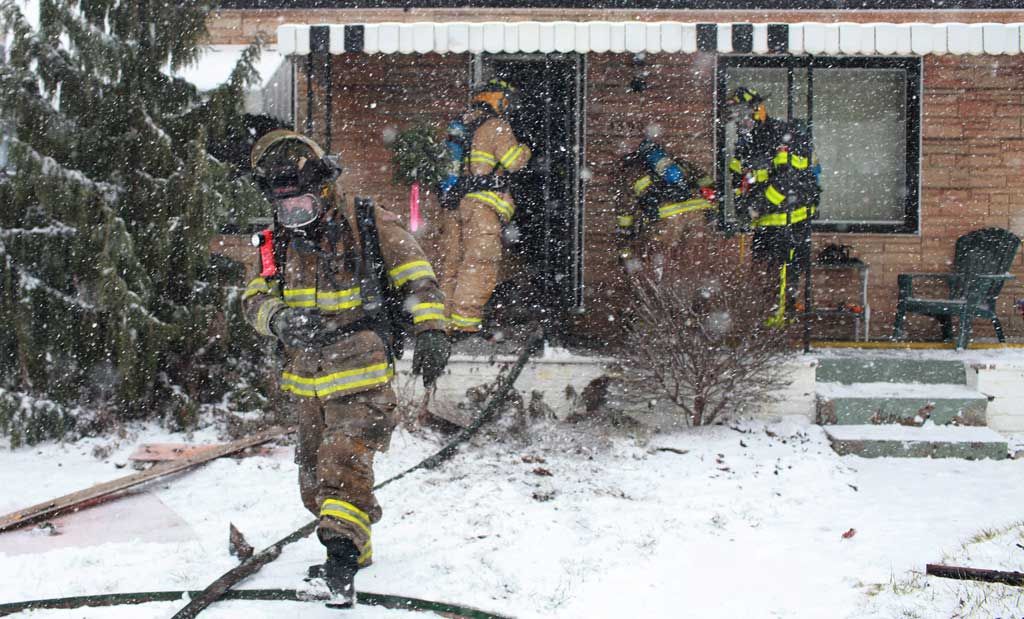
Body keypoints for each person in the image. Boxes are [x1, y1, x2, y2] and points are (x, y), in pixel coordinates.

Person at [242, 129, 450, 607]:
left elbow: (417, 276)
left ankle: (339, 566)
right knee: (314, 481)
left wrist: (432, 329)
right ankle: (356, 543)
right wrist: (278, 318)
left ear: (323, 188)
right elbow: (254, 298)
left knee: (343, 462)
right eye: (286, 208)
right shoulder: (275, 242)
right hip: (307, 380)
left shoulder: (366, 223)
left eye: (303, 205)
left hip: (362, 373)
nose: (295, 216)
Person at [437, 79, 532, 339]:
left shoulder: (460, 126)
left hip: (454, 206)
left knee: (452, 265)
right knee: (480, 264)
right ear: (498, 99)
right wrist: (526, 147)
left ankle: (442, 324)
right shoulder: (496, 126)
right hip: (482, 208)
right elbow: (513, 162)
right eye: (507, 100)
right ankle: (465, 325)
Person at [726, 87, 821, 327]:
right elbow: (739, 179)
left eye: (744, 114)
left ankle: (779, 324)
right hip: (764, 224)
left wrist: (759, 205)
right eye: (736, 116)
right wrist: (742, 209)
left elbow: (789, 179)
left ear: (759, 109)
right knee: (762, 272)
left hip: (790, 221)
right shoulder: (745, 144)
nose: (741, 121)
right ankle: (764, 323)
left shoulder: (783, 135)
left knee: (784, 274)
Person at [616, 138, 717, 281]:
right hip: (697, 212)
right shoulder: (680, 163)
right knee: (696, 255)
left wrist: (625, 244)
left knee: (664, 260)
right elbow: (708, 183)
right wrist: (710, 203)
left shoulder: (632, 174)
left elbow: (626, 213)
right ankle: (700, 282)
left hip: (665, 219)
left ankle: (668, 284)